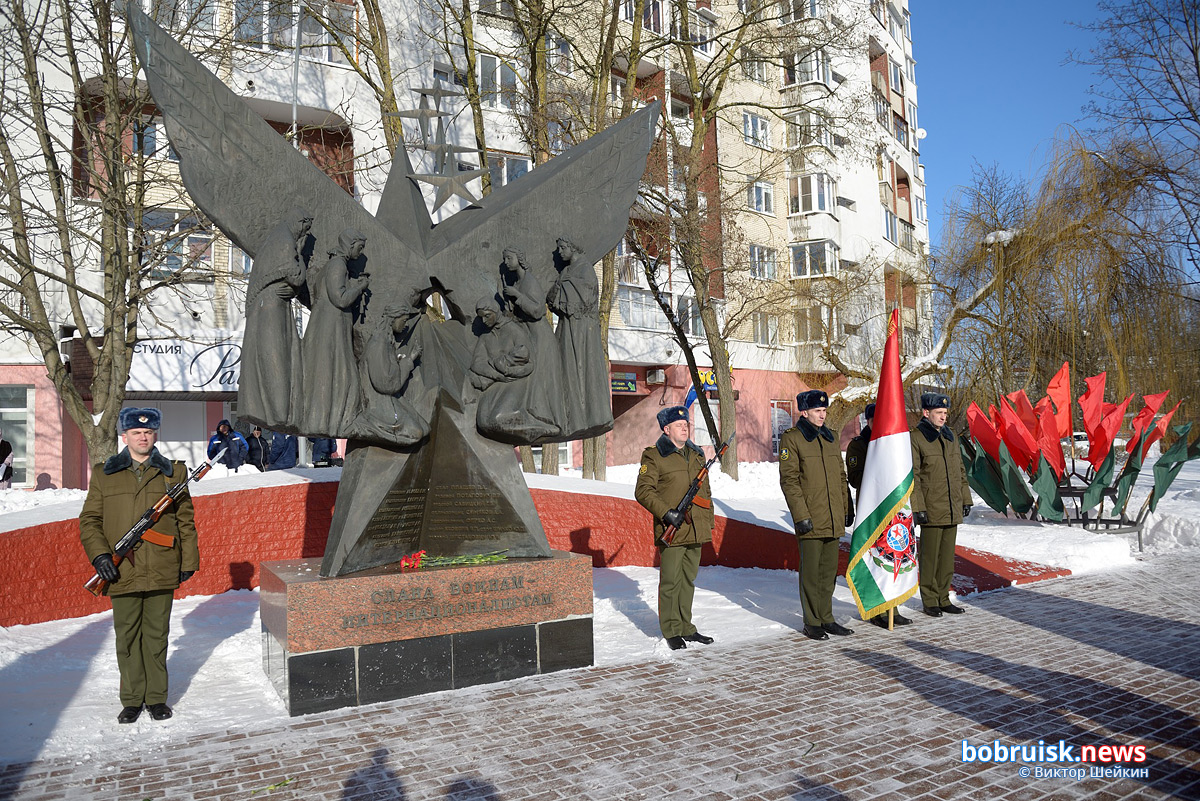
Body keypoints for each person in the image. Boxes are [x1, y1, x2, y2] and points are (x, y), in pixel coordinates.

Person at [78, 407, 199, 724]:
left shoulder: (173, 473)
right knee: (128, 638)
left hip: (161, 566)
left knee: (157, 636)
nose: (142, 437)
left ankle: (157, 698)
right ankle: (132, 700)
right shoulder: (105, 473)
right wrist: (101, 555)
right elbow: (89, 521)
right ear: (125, 436)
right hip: (121, 570)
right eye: (136, 432)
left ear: (154, 434)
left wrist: (189, 561)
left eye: (147, 432)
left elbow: (186, 522)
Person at [634, 405, 716, 651]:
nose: (685, 427)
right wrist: (666, 513)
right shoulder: (654, 456)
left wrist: (707, 523)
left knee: (688, 580)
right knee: (670, 581)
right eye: (679, 425)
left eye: (686, 424)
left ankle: (686, 627)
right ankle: (671, 629)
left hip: (695, 527)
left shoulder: (696, 454)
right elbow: (643, 491)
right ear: (666, 428)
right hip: (672, 527)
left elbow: (706, 492)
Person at [779, 389, 854, 641]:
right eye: (817, 411)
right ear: (804, 412)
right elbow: (789, 481)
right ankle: (812, 622)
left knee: (828, 572)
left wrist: (846, 507)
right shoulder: (794, 439)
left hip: (832, 516)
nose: (823, 415)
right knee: (811, 573)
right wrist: (801, 515)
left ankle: (826, 617)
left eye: (824, 410)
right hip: (810, 516)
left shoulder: (831, 437)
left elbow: (841, 477)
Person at [240, 207, 312, 428]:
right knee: (276, 359)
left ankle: (282, 412)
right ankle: (280, 413)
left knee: (282, 357)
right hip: (271, 308)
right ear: (299, 222)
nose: (306, 233)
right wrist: (300, 256)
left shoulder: (280, 238)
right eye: (306, 227)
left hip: (275, 306)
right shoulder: (284, 240)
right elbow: (296, 277)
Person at [846, 403, 912, 629]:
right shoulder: (859, 445)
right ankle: (877, 610)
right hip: (872, 511)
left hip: (892, 509)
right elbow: (855, 479)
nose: (879, 424)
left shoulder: (892, 444)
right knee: (876, 559)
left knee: (893, 556)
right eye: (875, 420)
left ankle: (893, 607)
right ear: (868, 421)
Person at [300, 228, 370, 436]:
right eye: (359, 247)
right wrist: (359, 288)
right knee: (339, 374)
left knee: (329, 373)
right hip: (331, 329)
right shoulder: (338, 265)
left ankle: (329, 421)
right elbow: (340, 298)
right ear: (349, 245)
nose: (360, 252)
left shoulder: (333, 266)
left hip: (329, 327)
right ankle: (334, 422)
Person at [910, 392, 973, 617]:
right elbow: (914, 476)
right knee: (930, 557)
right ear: (926, 413)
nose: (943, 417)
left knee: (946, 558)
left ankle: (943, 597)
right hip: (931, 506)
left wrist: (966, 498)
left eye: (945, 413)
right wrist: (918, 508)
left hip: (951, 504)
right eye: (939, 413)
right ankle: (930, 600)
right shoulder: (916, 437)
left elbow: (960, 471)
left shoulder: (950, 436)